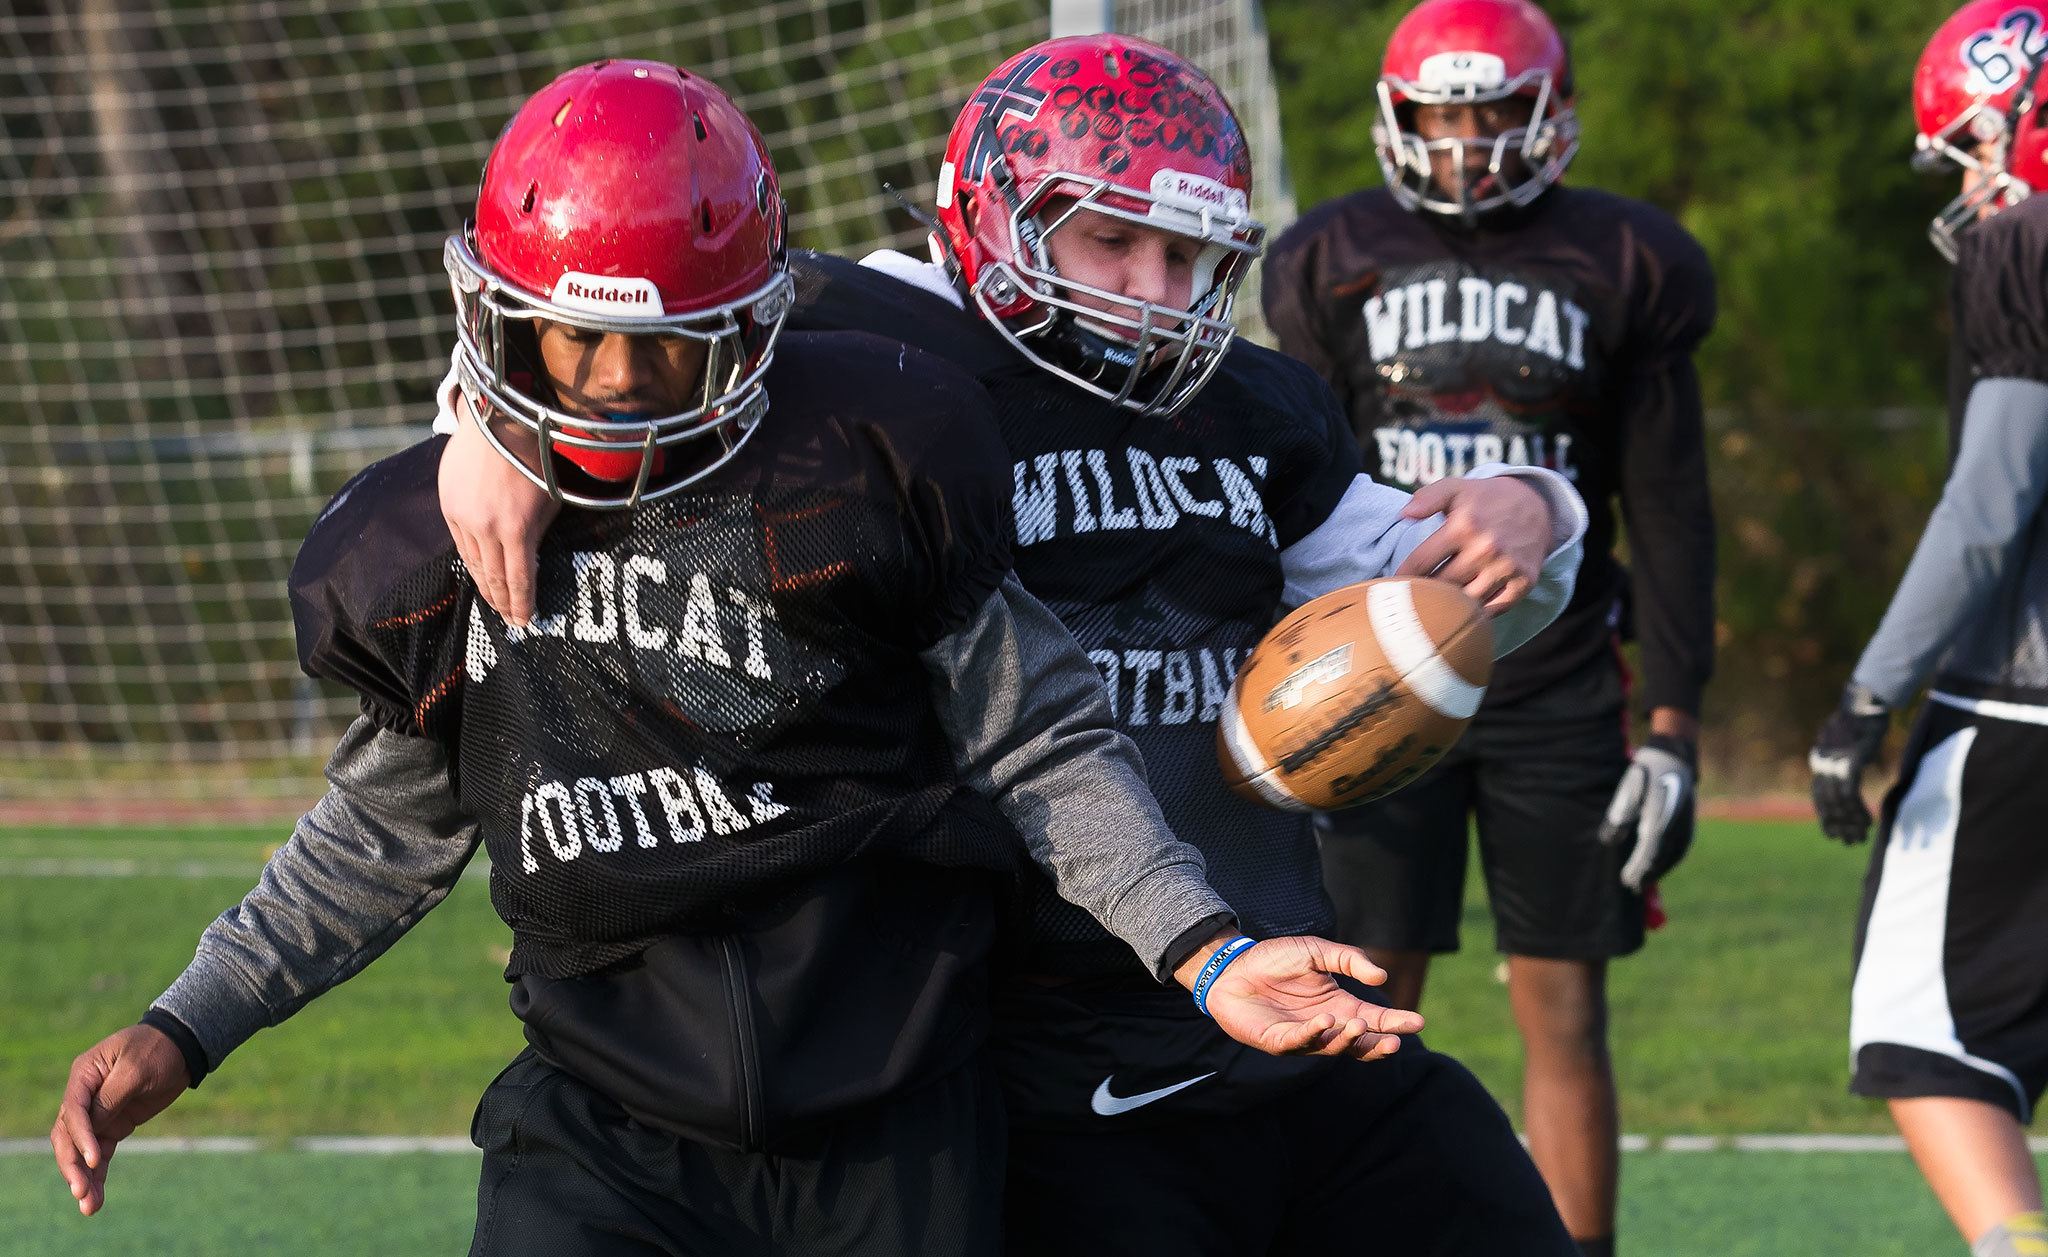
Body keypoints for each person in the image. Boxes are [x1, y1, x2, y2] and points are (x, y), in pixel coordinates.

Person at [48, 61, 1432, 1257]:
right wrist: (188, 1023)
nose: (602, 386)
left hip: (893, 1115)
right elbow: (379, 834)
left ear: (759, 329)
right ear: (494, 323)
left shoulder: (866, 469)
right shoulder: (438, 538)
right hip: (606, 1122)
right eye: (568, 340)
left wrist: (1202, 954)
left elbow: (1041, 744)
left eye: (659, 352)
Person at [440, 34, 1589, 1255]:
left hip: (1259, 978)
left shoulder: (1255, 409)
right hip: (1034, 1032)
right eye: (1110, 239)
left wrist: (1536, 507)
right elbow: (618, 325)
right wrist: (481, 430)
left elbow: (1444, 584)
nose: (1152, 289)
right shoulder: (865, 352)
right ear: (993, 213)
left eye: (1187, 255)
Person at [1258, 2, 1719, 1252]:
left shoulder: (1626, 258)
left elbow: (1668, 513)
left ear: (1549, 114)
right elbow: (1293, 491)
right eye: (1441, 115)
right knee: (1362, 992)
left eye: (1492, 112)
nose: (1464, 143)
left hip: (1559, 680)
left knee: (1561, 1012)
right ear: (1397, 120)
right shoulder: (1324, 255)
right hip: (1373, 675)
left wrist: (1672, 726)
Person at [1810, 5, 2048, 1255]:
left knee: (1924, 1040)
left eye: (1972, 142)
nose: (1968, 178)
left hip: (2019, 716)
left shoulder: (2026, 251)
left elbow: (1989, 505)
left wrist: (1867, 698)